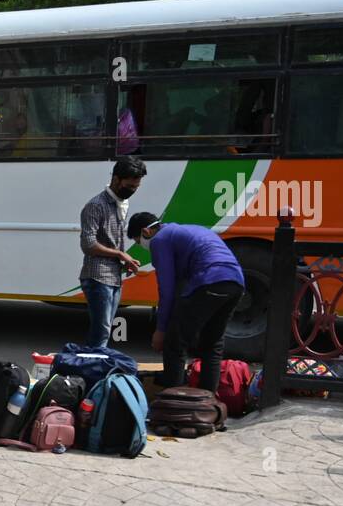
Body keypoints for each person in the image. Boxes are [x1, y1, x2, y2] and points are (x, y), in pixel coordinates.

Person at [127, 212, 246, 391]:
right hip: (236, 283)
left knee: (175, 343)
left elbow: (166, 290)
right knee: (212, 344)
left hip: (209, 281)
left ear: (146, 231)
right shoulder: (186, 231)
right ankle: (207, 400)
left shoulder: (160, 240)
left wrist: (161, 330)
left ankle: (174, 401)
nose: (141, 245)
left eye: (138, 241)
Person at [78, 156, 145, 347]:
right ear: (116, 179)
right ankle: (92, 368)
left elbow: (112, 241)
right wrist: (120, 254)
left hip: (114, 276)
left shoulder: (121, 204)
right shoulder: (95, 205)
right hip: (97, 276)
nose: (132, 191)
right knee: (102, 332)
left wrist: (124, 259)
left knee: (103, 333)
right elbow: (88, 244)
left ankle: (94, 366)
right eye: (130, 186)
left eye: (136, 187)